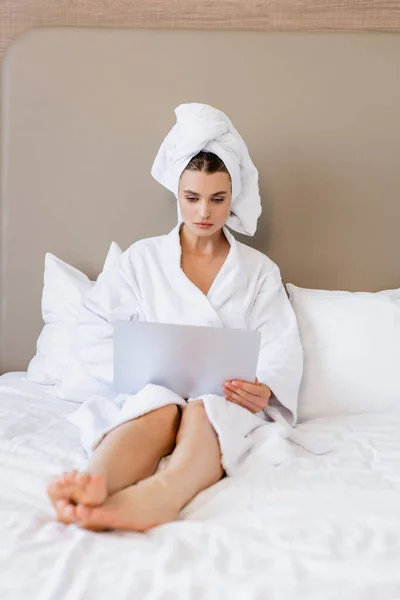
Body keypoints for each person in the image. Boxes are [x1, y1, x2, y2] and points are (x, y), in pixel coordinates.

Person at [47, 103, 303, 532]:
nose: (204, 212)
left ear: (233, 196)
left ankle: (162, 495)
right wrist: (139, 374)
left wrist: (265, 388)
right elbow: (93, 331)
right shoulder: (140, 260)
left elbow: (280, 344)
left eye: (218, 199)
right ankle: (96, 480)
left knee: (207, 409)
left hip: (225, 398)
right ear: (177, 194)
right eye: (192, 198)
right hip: (153, 392)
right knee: (157, 407)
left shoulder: (258, 271)